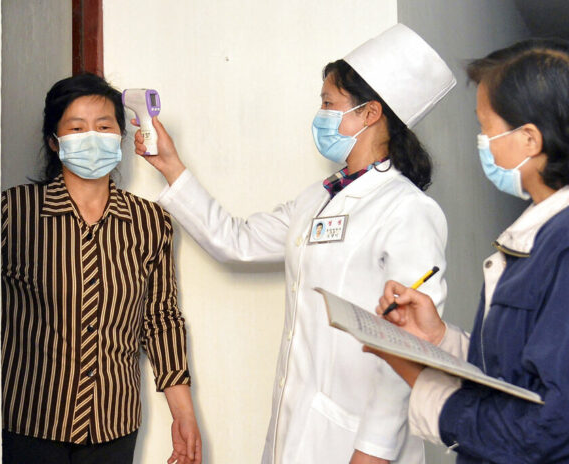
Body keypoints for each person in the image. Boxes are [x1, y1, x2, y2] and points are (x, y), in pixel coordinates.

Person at [134, 24, 455, 464]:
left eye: (328, 103)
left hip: (360, 443)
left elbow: (408, 344)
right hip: (296, 429)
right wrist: (171, 167)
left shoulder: (407, 210)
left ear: (370, 113)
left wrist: (374, 451)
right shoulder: (318, 198)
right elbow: (236, 241)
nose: (319, 114)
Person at [367, 38, 569, 463]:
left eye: (486, 129)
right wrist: (437, 338)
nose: (483, 142)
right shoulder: (551, 230)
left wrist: (418, 379)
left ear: (529, 139)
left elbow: (556, 424)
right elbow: (521, 371)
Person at [1, 73, 202, 464]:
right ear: (54, 140)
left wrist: (184, 414)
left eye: (104, 126)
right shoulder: (14, 213)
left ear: (121, 137)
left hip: (112, 424)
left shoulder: (149, 221)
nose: (92, 136)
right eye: (76, 127)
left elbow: (160, 319)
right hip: (29, 423)